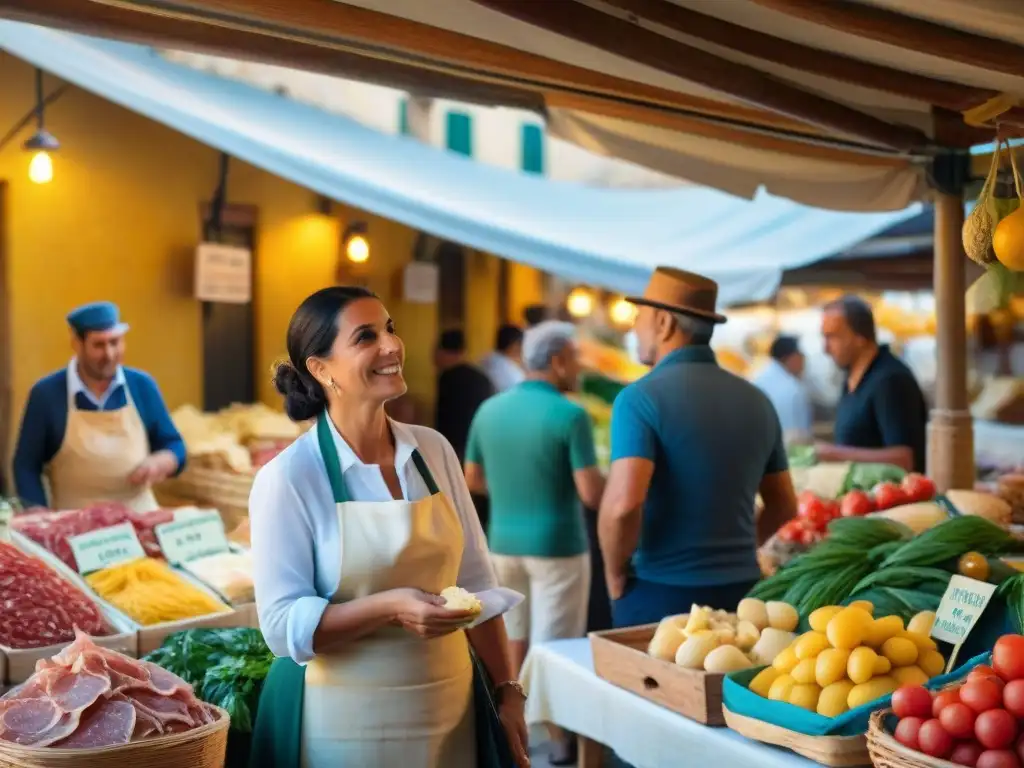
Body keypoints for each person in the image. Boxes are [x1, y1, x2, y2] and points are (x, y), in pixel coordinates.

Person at [248, 286, 528, 768]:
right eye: (366, 337)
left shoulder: (433, 450)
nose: (391, 346)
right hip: (343, 723)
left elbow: (478, 583)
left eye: (390, 329)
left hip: (449, 708)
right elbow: (281, 627)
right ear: (321, 369)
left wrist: (508, 691)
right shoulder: (290, 477)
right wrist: (391, 607)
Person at [599, 267, 797, 628]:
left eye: (638, 317)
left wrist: (613, 578)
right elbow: (784, 504)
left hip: (661, 596)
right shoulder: (758, 400)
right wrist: (733, 551)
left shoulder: (639, 399)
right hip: (742, 596)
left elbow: (623, 505)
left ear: (663, 323)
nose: (634, 328)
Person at [465, 321, 604, 766]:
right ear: (559, 359)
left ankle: (515, 735)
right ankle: (559, 743)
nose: (578, 366)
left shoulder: (489, 410)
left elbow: (474, 479)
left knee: (515, 644)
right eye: (575, 357)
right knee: (555, 648)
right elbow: (591, 494)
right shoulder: (570, 414)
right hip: (559, 546)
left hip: (502, 543)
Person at [12, 301, 185, 511]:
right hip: (76, 525)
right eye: (99, 345)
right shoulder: (47, 394)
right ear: (76, 343)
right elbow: (26, 465)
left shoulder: (142, 386)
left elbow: (175, 445)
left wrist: (163, 460)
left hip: (139, 516)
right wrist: (36, 513)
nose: (110, 354)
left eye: (115, 342)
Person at [816, 295, 928, 473]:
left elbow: (905, 458)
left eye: (833, 337)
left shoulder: (891, 380)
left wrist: (834, 454)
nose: (825, 349)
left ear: (860, 337)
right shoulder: (851, 376)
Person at [434, 329, 495, 463]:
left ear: (441, 352)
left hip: (456, 448)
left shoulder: (447, 378)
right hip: (480, 444)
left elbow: (446, 418)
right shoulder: (481, 377)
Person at [753, 334, 814, 439]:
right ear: (791, 357)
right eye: (801, 355)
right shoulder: (793, 389)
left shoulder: (756, 382)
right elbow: (799, 441)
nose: (804, 361)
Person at [481, 325, 525, 393]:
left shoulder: (486, 359)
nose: (521, 348)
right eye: (519, 343)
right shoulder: (509, 372)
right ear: (513, 345)